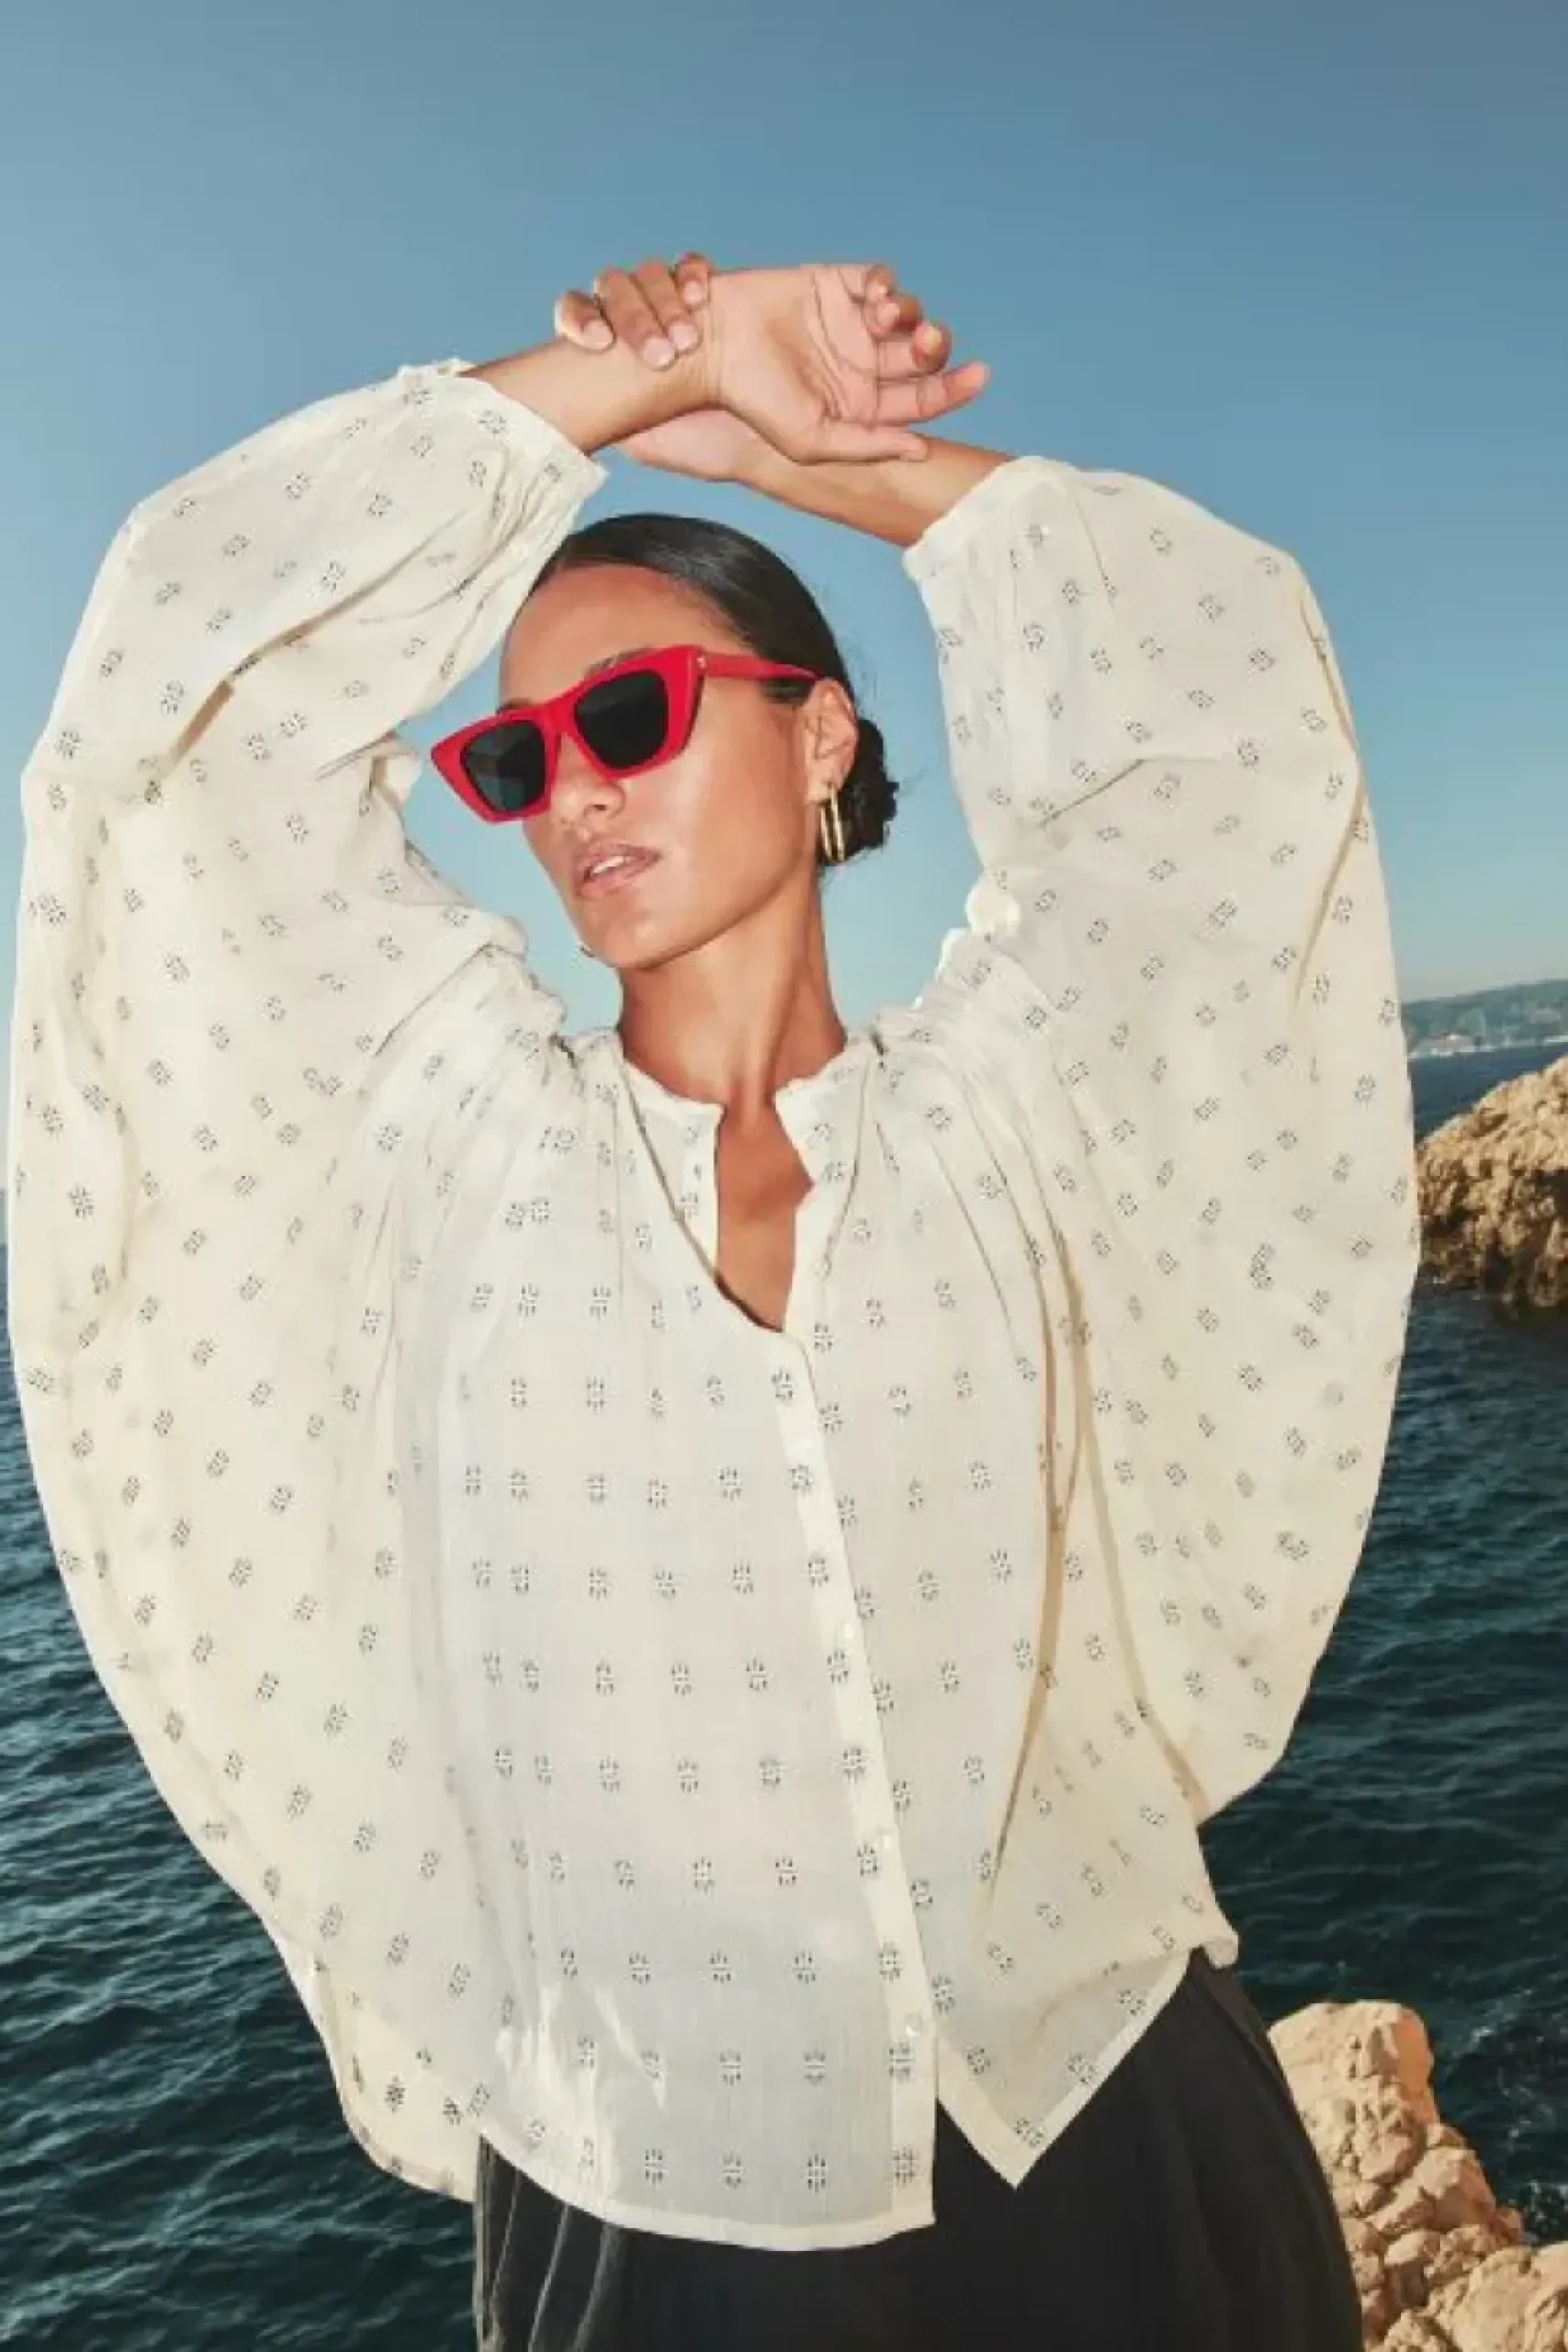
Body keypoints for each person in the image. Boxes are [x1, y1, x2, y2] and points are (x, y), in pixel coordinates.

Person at [9, 250, 1417, 2351]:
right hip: (657, 2211)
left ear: (818, 727)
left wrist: (807, 450)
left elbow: (1216, 722)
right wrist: (604, 384)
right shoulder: (451, 1154)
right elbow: (182, 723)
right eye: (517, 757)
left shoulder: (1017, 1110)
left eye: (631, 713)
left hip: (1117, 2128)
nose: (572, 787)